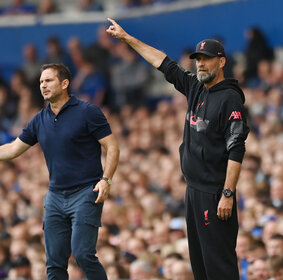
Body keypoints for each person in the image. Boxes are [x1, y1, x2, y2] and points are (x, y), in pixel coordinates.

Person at [106, 18, 249, 280]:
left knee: (219, 267)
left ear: (222, 61)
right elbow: (163, 62)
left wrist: (227, 193)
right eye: (198, 59)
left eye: (207, 59)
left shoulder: (229, 99)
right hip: (193, 190)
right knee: (201, 266)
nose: (201, 64)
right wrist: (128, 39)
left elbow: (236, 148)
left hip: (214, 193)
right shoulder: (196, 87)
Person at [0, 63, 120, 280]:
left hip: (86, 193)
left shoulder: (87, 112)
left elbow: (113, 147)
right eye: (41, 81)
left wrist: (106, 179)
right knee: (54, 263)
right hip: (55, 197)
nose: (43, 85)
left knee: (82, 253)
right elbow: (14, 149)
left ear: (64, 83)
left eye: (48, 80)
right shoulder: (39, 119)